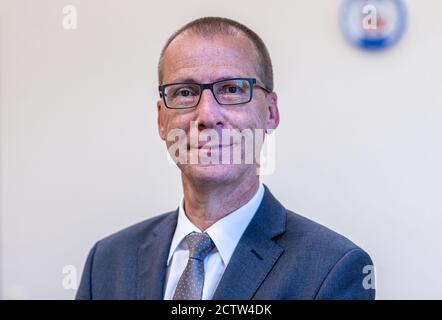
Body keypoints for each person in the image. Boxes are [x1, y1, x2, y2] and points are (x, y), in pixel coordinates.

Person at [76, 17, 375, 300]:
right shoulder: (106, 262)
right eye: (184, 92)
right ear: (161, 121)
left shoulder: (332, 269)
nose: (206, 115)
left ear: (270, 112)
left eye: (232, 89)